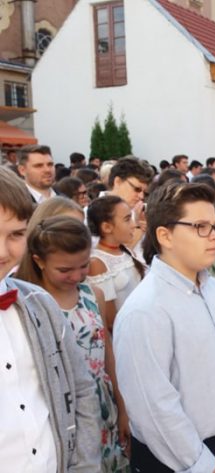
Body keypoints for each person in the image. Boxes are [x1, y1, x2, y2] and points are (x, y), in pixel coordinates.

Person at [114, 182, 215, 473]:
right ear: (165, 235)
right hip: (173, 458)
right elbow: (154, 407)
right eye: (200, 227)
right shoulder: (145, 310)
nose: (214, 236)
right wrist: (205, 465)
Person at [0, 167, 101, 471]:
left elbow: (81, 389)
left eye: (16, 234)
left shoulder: (39, 304)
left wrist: (85, 465)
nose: (3, 252)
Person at [16, 215, 131, 471]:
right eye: (65, 270)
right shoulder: (32, 306)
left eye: (84, 266)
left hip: (103, 405)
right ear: (39, 261)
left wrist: (123, 409)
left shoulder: (94, 295)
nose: (77, 276)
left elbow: (107, 354)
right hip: (64, 412)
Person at [87, 195, 145, 332]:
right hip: (127, 332)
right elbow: (110, 320)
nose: (134, 225)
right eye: (127, 219)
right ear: (107, 227)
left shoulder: (126, 251)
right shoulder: (97, 262)